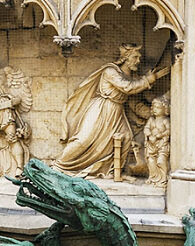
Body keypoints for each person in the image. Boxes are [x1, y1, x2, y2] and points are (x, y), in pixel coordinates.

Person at [54, 44, 156, 177]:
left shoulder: (131, 75)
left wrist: (151, 111)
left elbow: (133, 99)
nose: (138, 61)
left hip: (117, 111)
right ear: (126, 58)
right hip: (101, 109)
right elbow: (127, 87)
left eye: (139, 57)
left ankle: (114, 171)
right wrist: (147, 80)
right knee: (84, 139)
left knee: (126, 137)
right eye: (135, 57)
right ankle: (58, 166)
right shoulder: (110, 71)